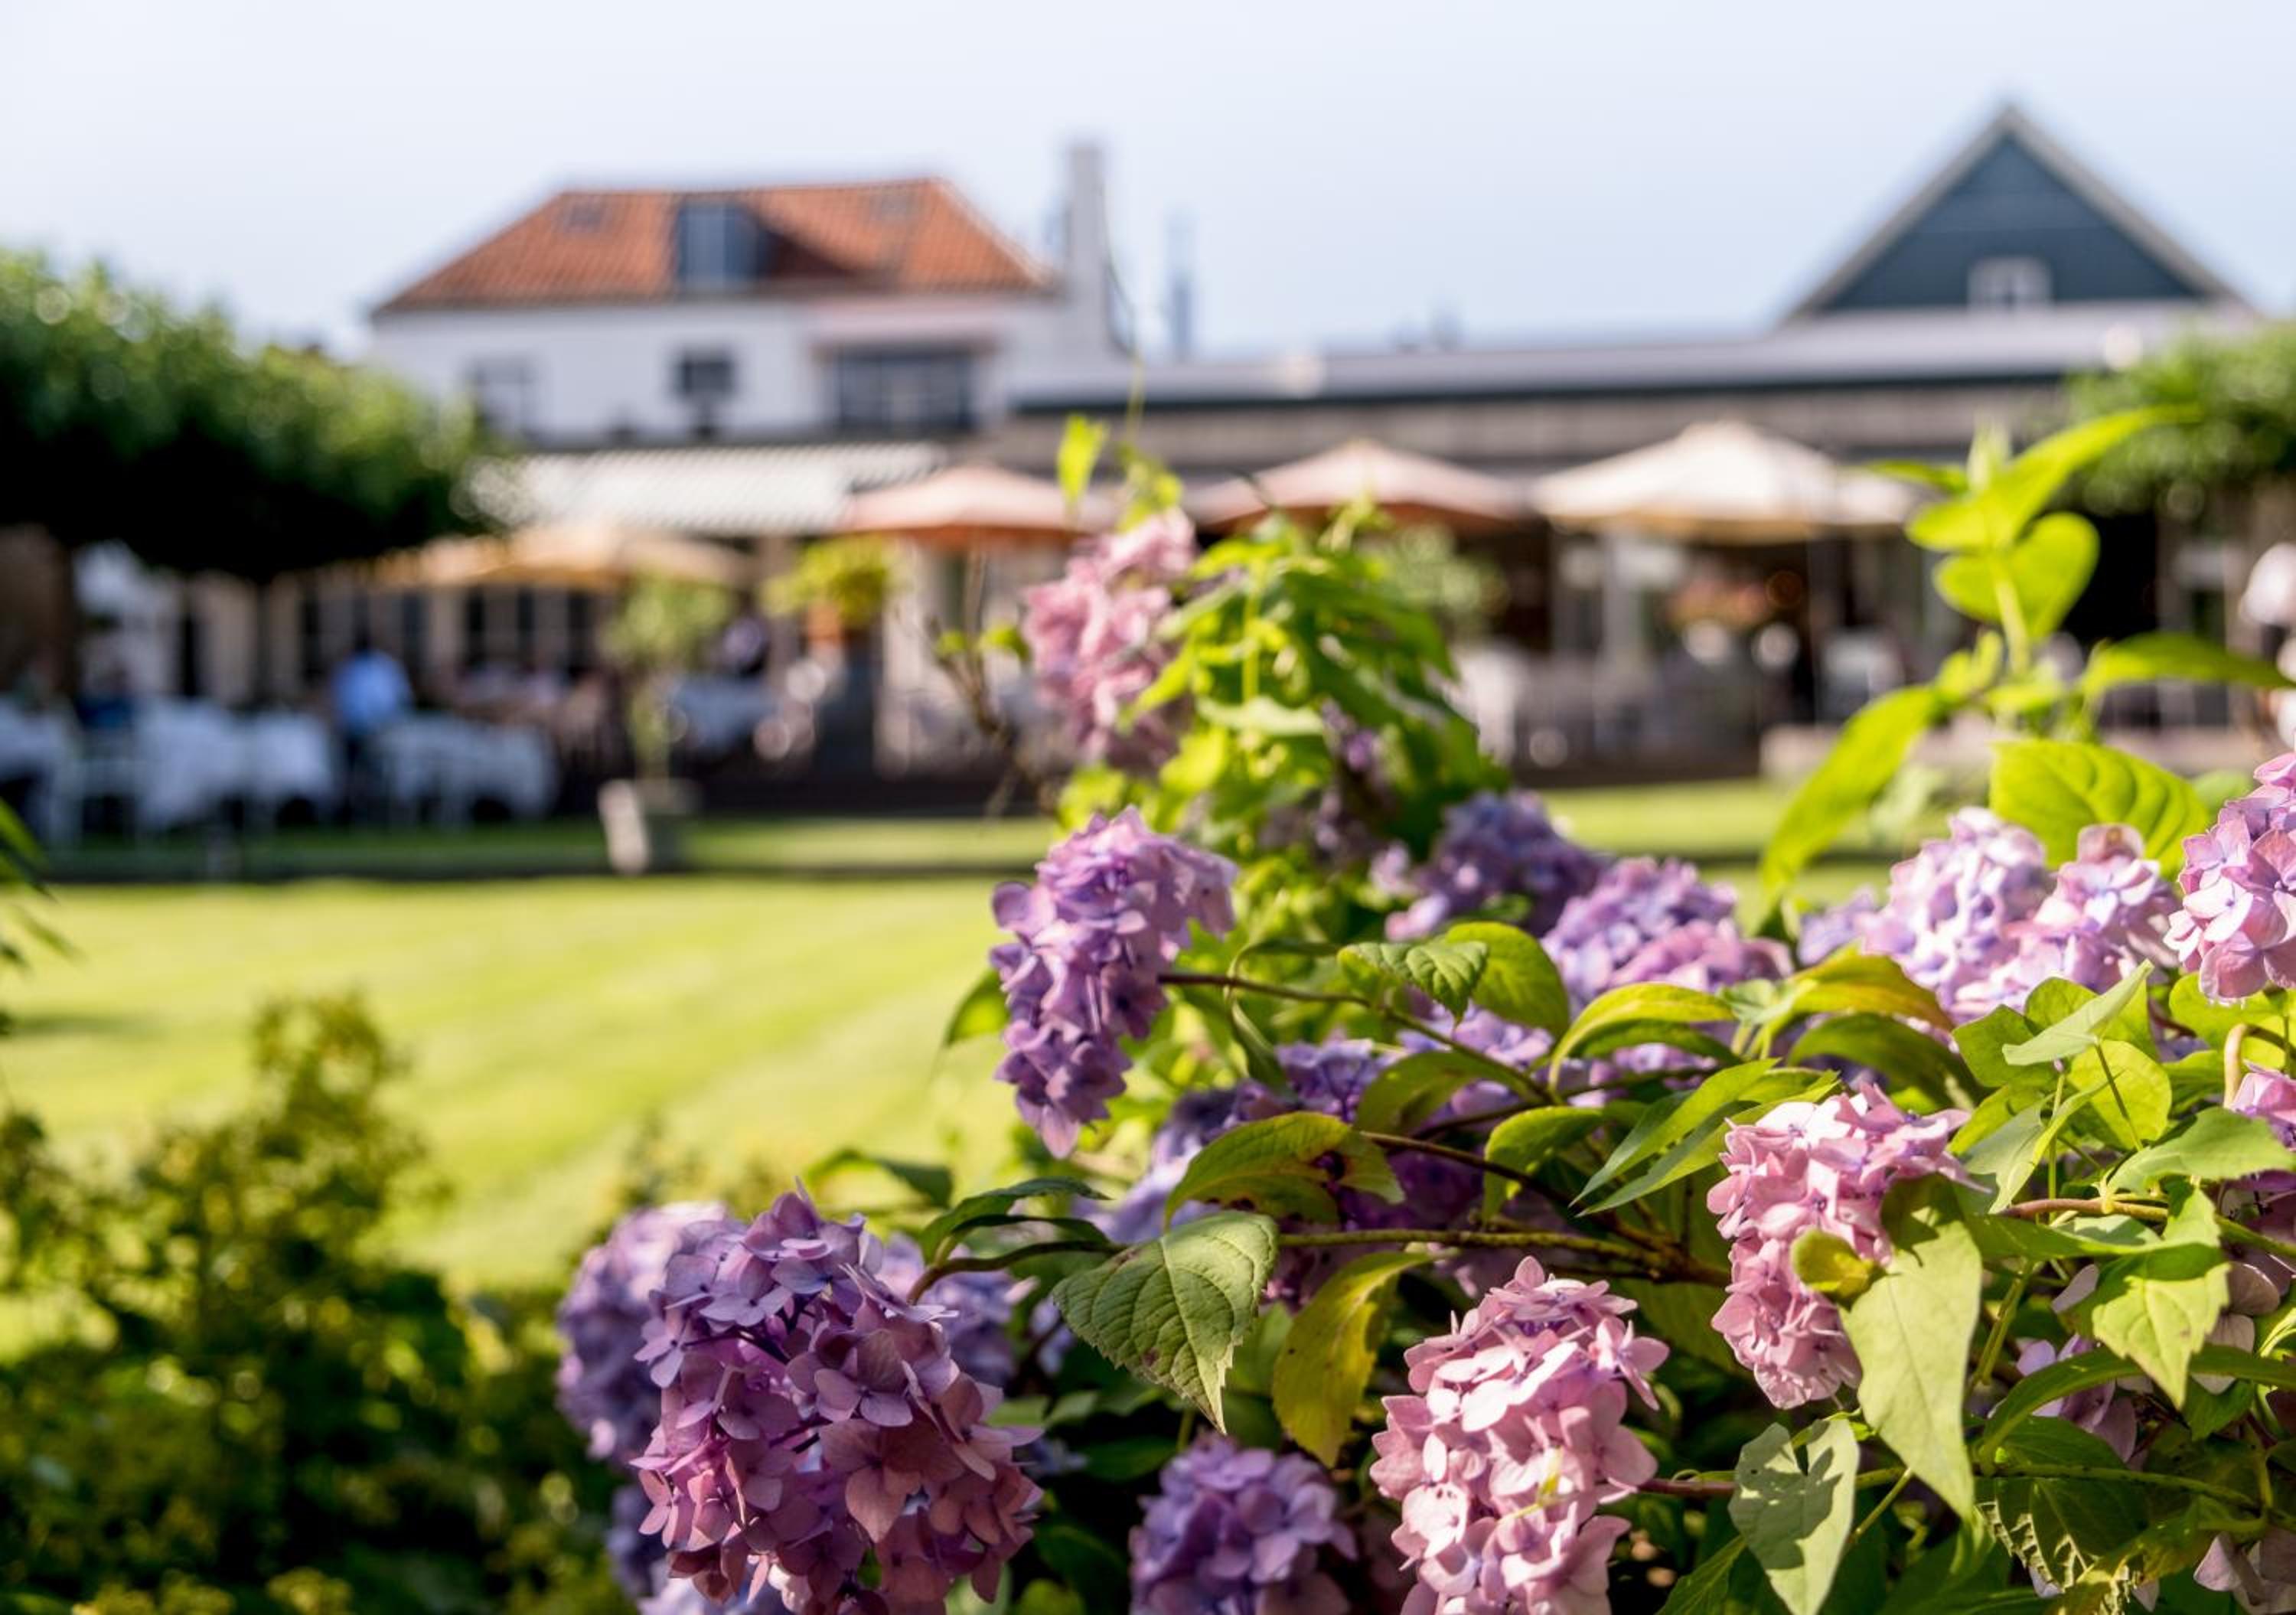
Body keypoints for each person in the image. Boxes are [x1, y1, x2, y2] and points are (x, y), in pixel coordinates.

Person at [330, 635, 413, 799]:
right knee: (372, 774)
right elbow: (402, 699)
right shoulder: (386, 667)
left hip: (371, 731)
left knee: (363, 775)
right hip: (370, 732)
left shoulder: (351, 667)